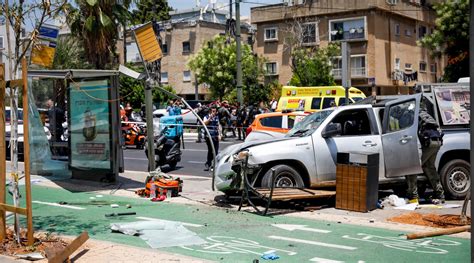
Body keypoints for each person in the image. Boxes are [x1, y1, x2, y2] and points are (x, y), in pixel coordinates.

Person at [406, 97, 445, 205]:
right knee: (429, 167)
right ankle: (440, 194)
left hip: (428, 144)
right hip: (437, 142)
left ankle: (413, 196)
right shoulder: (426, 114)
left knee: (413, 168)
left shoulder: (414, 115)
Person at [203, 106, 220, 171]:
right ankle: (208, 164)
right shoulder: (206, 117)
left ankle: (214, 165)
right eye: (213, 111)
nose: (214, 112)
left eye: (215, 111)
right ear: (210, 111)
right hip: (209, 136)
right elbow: (204, 123)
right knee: (210, 151)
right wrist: (210, 118)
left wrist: (219, 134)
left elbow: (218, 126)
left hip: (215, 136)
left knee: (216, 151)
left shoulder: (216, 117)